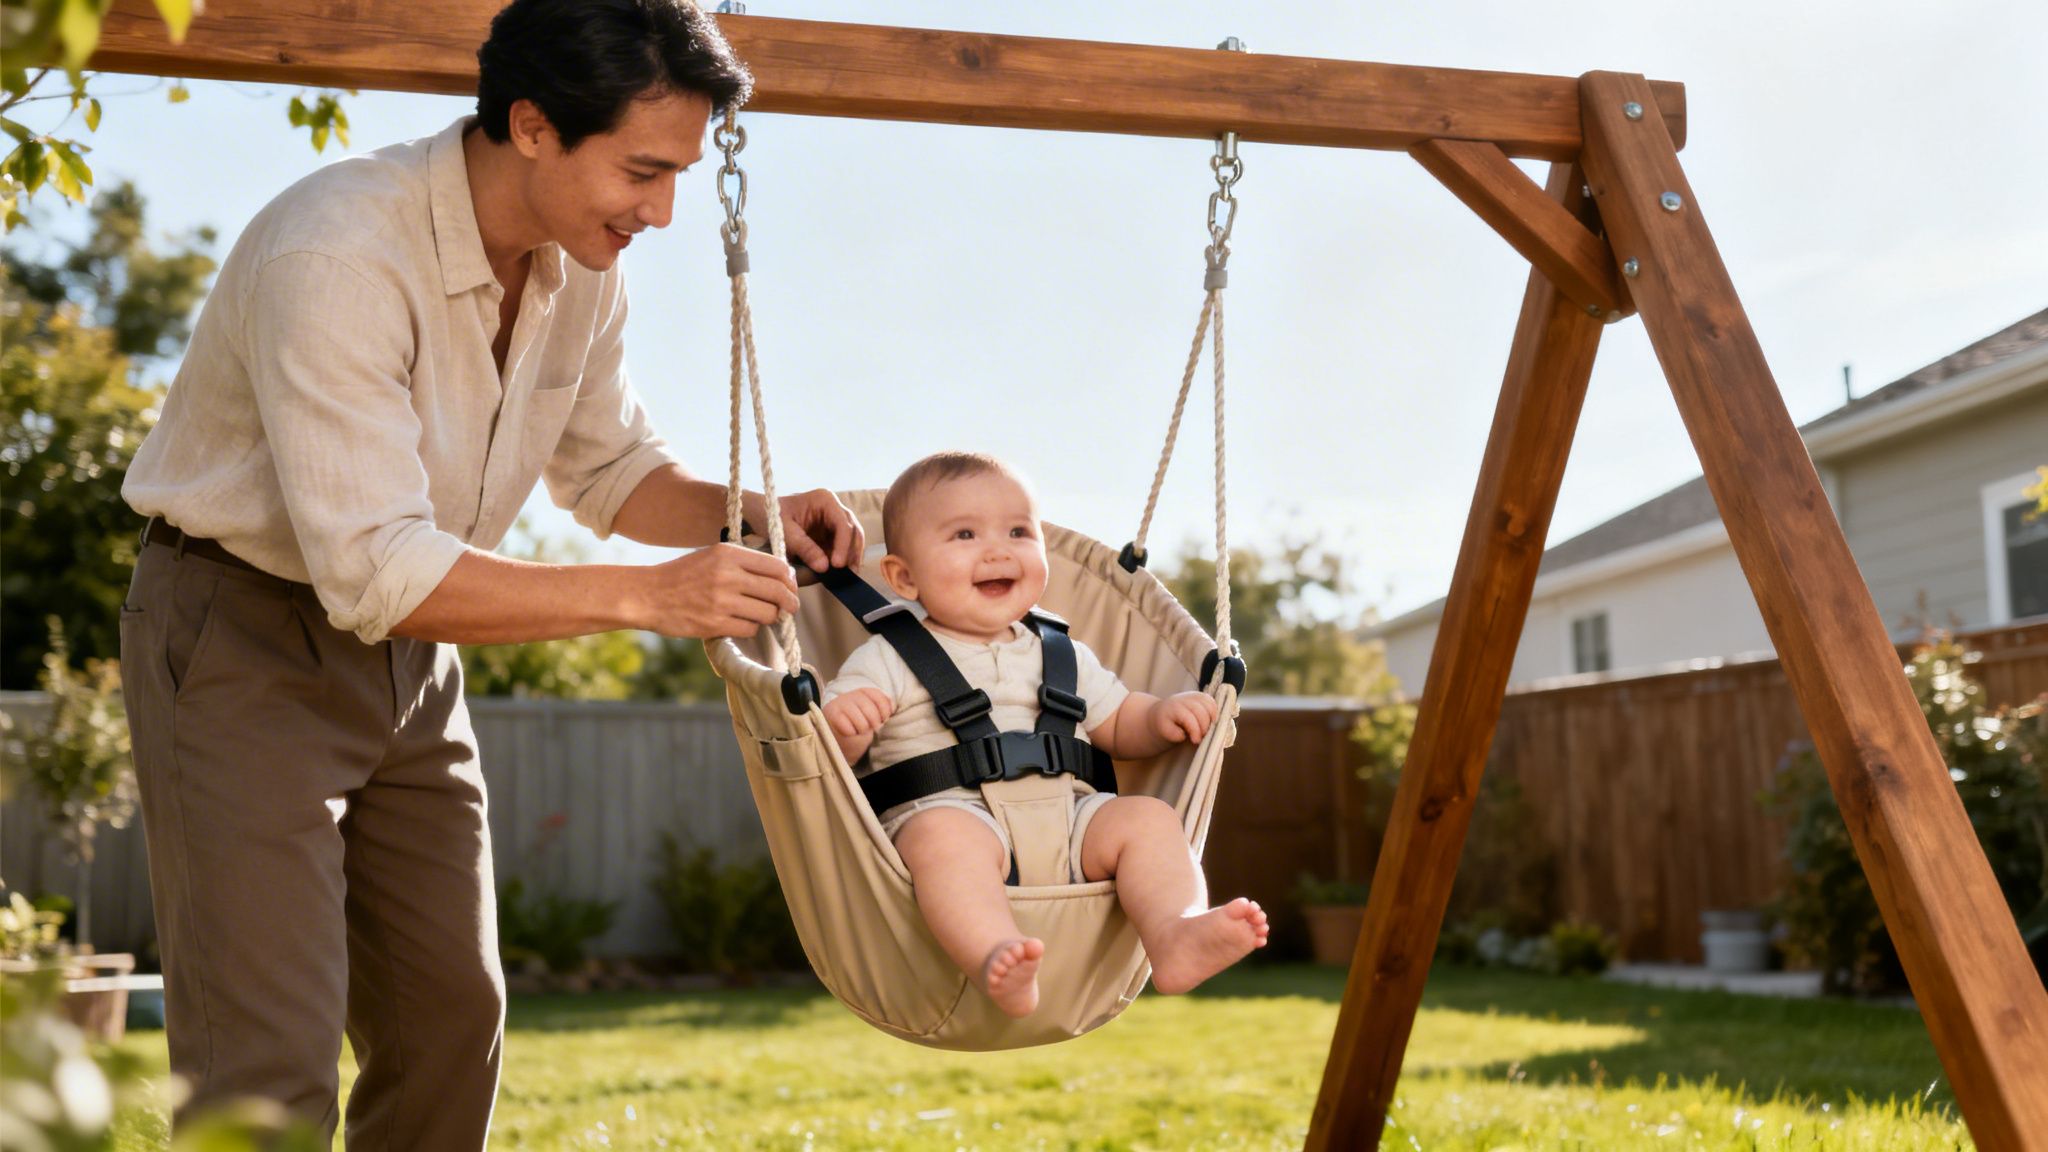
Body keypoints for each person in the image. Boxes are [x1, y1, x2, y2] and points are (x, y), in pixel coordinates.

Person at [116, 1, 860, 1145]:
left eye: (679, 178)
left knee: (449, 1022)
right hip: (240, 634)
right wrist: (655, 597)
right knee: (266, 1061)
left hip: (417, 649)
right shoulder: (339, 248)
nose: (661, 212)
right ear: (529, 124)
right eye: (642, 171)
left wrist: (746, 513)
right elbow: (373, 566)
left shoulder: (581, 265)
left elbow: (609, 468)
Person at [821, 452, 1267, 1019]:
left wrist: (1159, 718)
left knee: (1149, 819)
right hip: (957, 817)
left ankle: (1174, 934)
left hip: (1073, 821)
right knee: (943, 841)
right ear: (904, 577)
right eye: (964, 533)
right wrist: (847, 725)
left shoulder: (1065, 652)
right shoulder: (884, 657)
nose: (998, 549)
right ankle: (993, 955)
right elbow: (830, 762)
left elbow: (1119, 722)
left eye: (1018, 531)